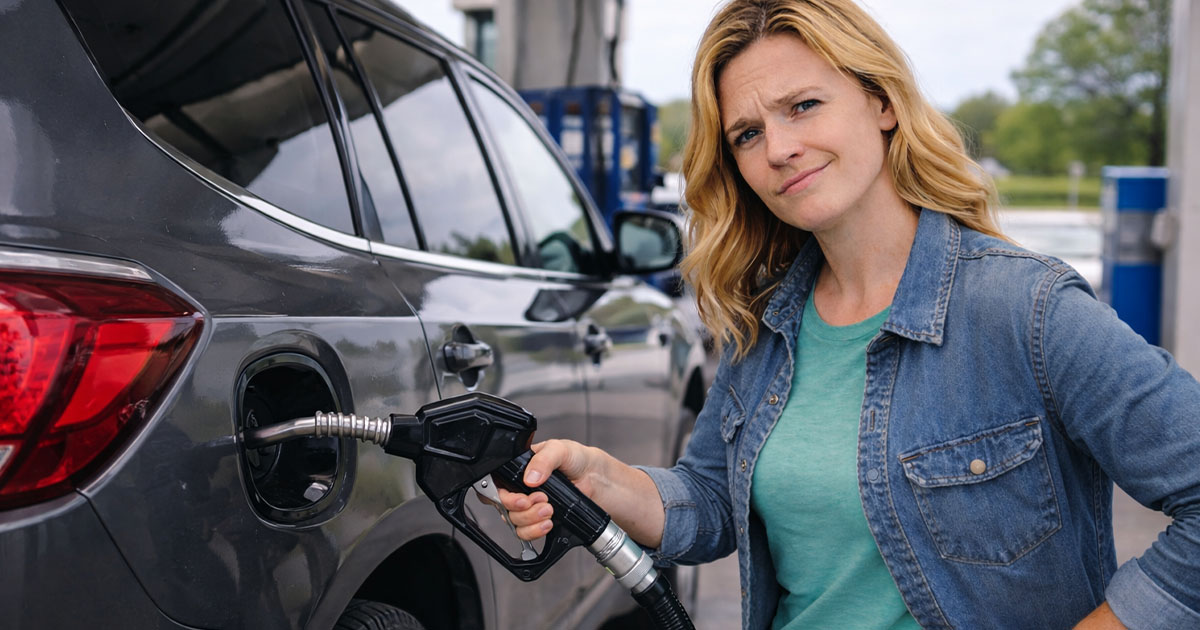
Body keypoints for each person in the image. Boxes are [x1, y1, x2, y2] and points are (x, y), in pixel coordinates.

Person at [499, 1, 1200, 628]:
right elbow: (713, 501)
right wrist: (604, 480)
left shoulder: (1026, 309)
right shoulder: (764, 323)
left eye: (803, 105)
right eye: (746, 134)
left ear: (881, 101)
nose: (778, 149)